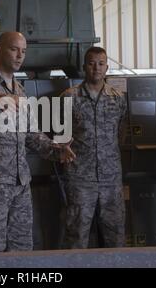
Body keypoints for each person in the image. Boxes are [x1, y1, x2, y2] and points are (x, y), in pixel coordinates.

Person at [0, 31, 76, 252]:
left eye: (23, 51)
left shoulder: (20, 90)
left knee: (21, 247)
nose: (19, 56)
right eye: (14, 49)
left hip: (19, 181)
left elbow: (31, 133)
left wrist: (56, 150)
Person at [60, 46, 127, 249]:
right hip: (80, 179)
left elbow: (121, 133)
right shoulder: (68, 98)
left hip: (111, 180)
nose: (96, 68)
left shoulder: (118, 98)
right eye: (91, 63)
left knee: (115, 238)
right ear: (84, 67)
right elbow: (59, 137)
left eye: (101, 63)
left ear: (107, 67)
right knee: (77, 237)